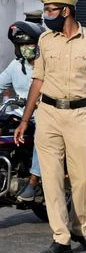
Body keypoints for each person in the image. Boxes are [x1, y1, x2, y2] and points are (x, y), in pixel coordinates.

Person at [13, 0, 86, 253]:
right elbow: (38, 80)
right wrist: (25, 119)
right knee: (52, 179)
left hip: (80, 116)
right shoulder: (45, 41)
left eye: (51, 10)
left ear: (66, 11)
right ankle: (61, 238)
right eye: (46, 10)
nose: (47, 15)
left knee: (83, 178)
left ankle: (82, 229)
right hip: (48, 115)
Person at [1, 21, 46, 201]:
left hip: (41, 116)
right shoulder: (15, 65)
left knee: (43, 137)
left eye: (29, 44)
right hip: (19, 114)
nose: (26, 48)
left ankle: (33, 181)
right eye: (21, 45)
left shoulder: (47, 66)